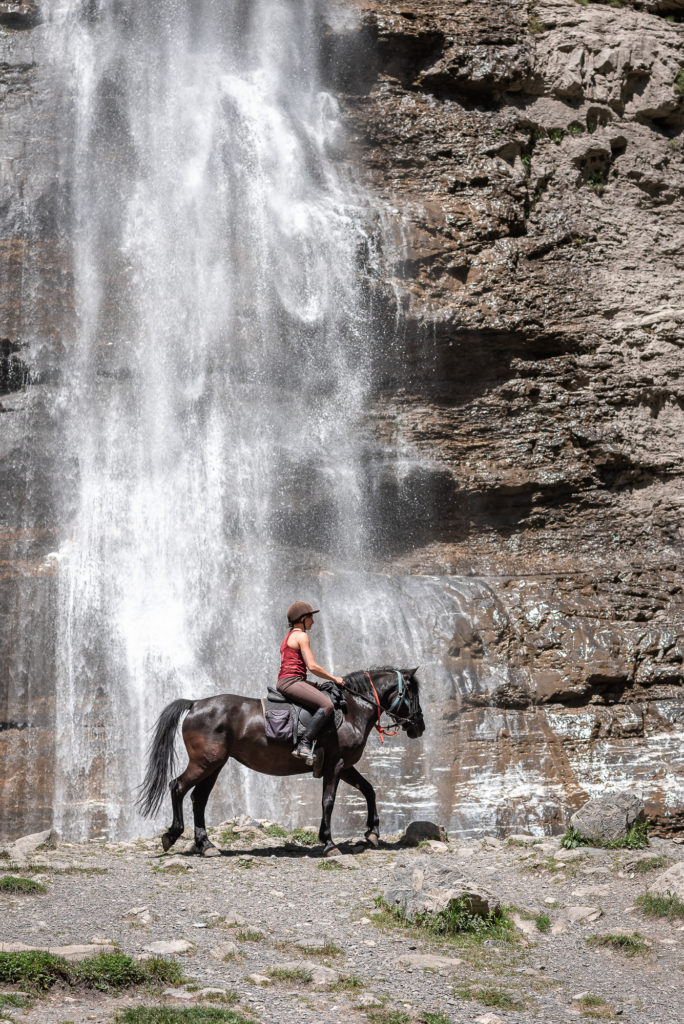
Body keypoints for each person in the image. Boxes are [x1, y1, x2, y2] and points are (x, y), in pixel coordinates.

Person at [277, 601, 344, 764]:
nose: (313, 621)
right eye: (310, 618)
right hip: (291, 682)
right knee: (327, 705)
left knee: (322, 695)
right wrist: (334, 678)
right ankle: (304, 744)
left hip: (291, 680)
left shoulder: (289, 637)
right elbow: (312, 666)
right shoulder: (301, 635)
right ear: (302, 619)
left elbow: (297, 670)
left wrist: (317, 686)